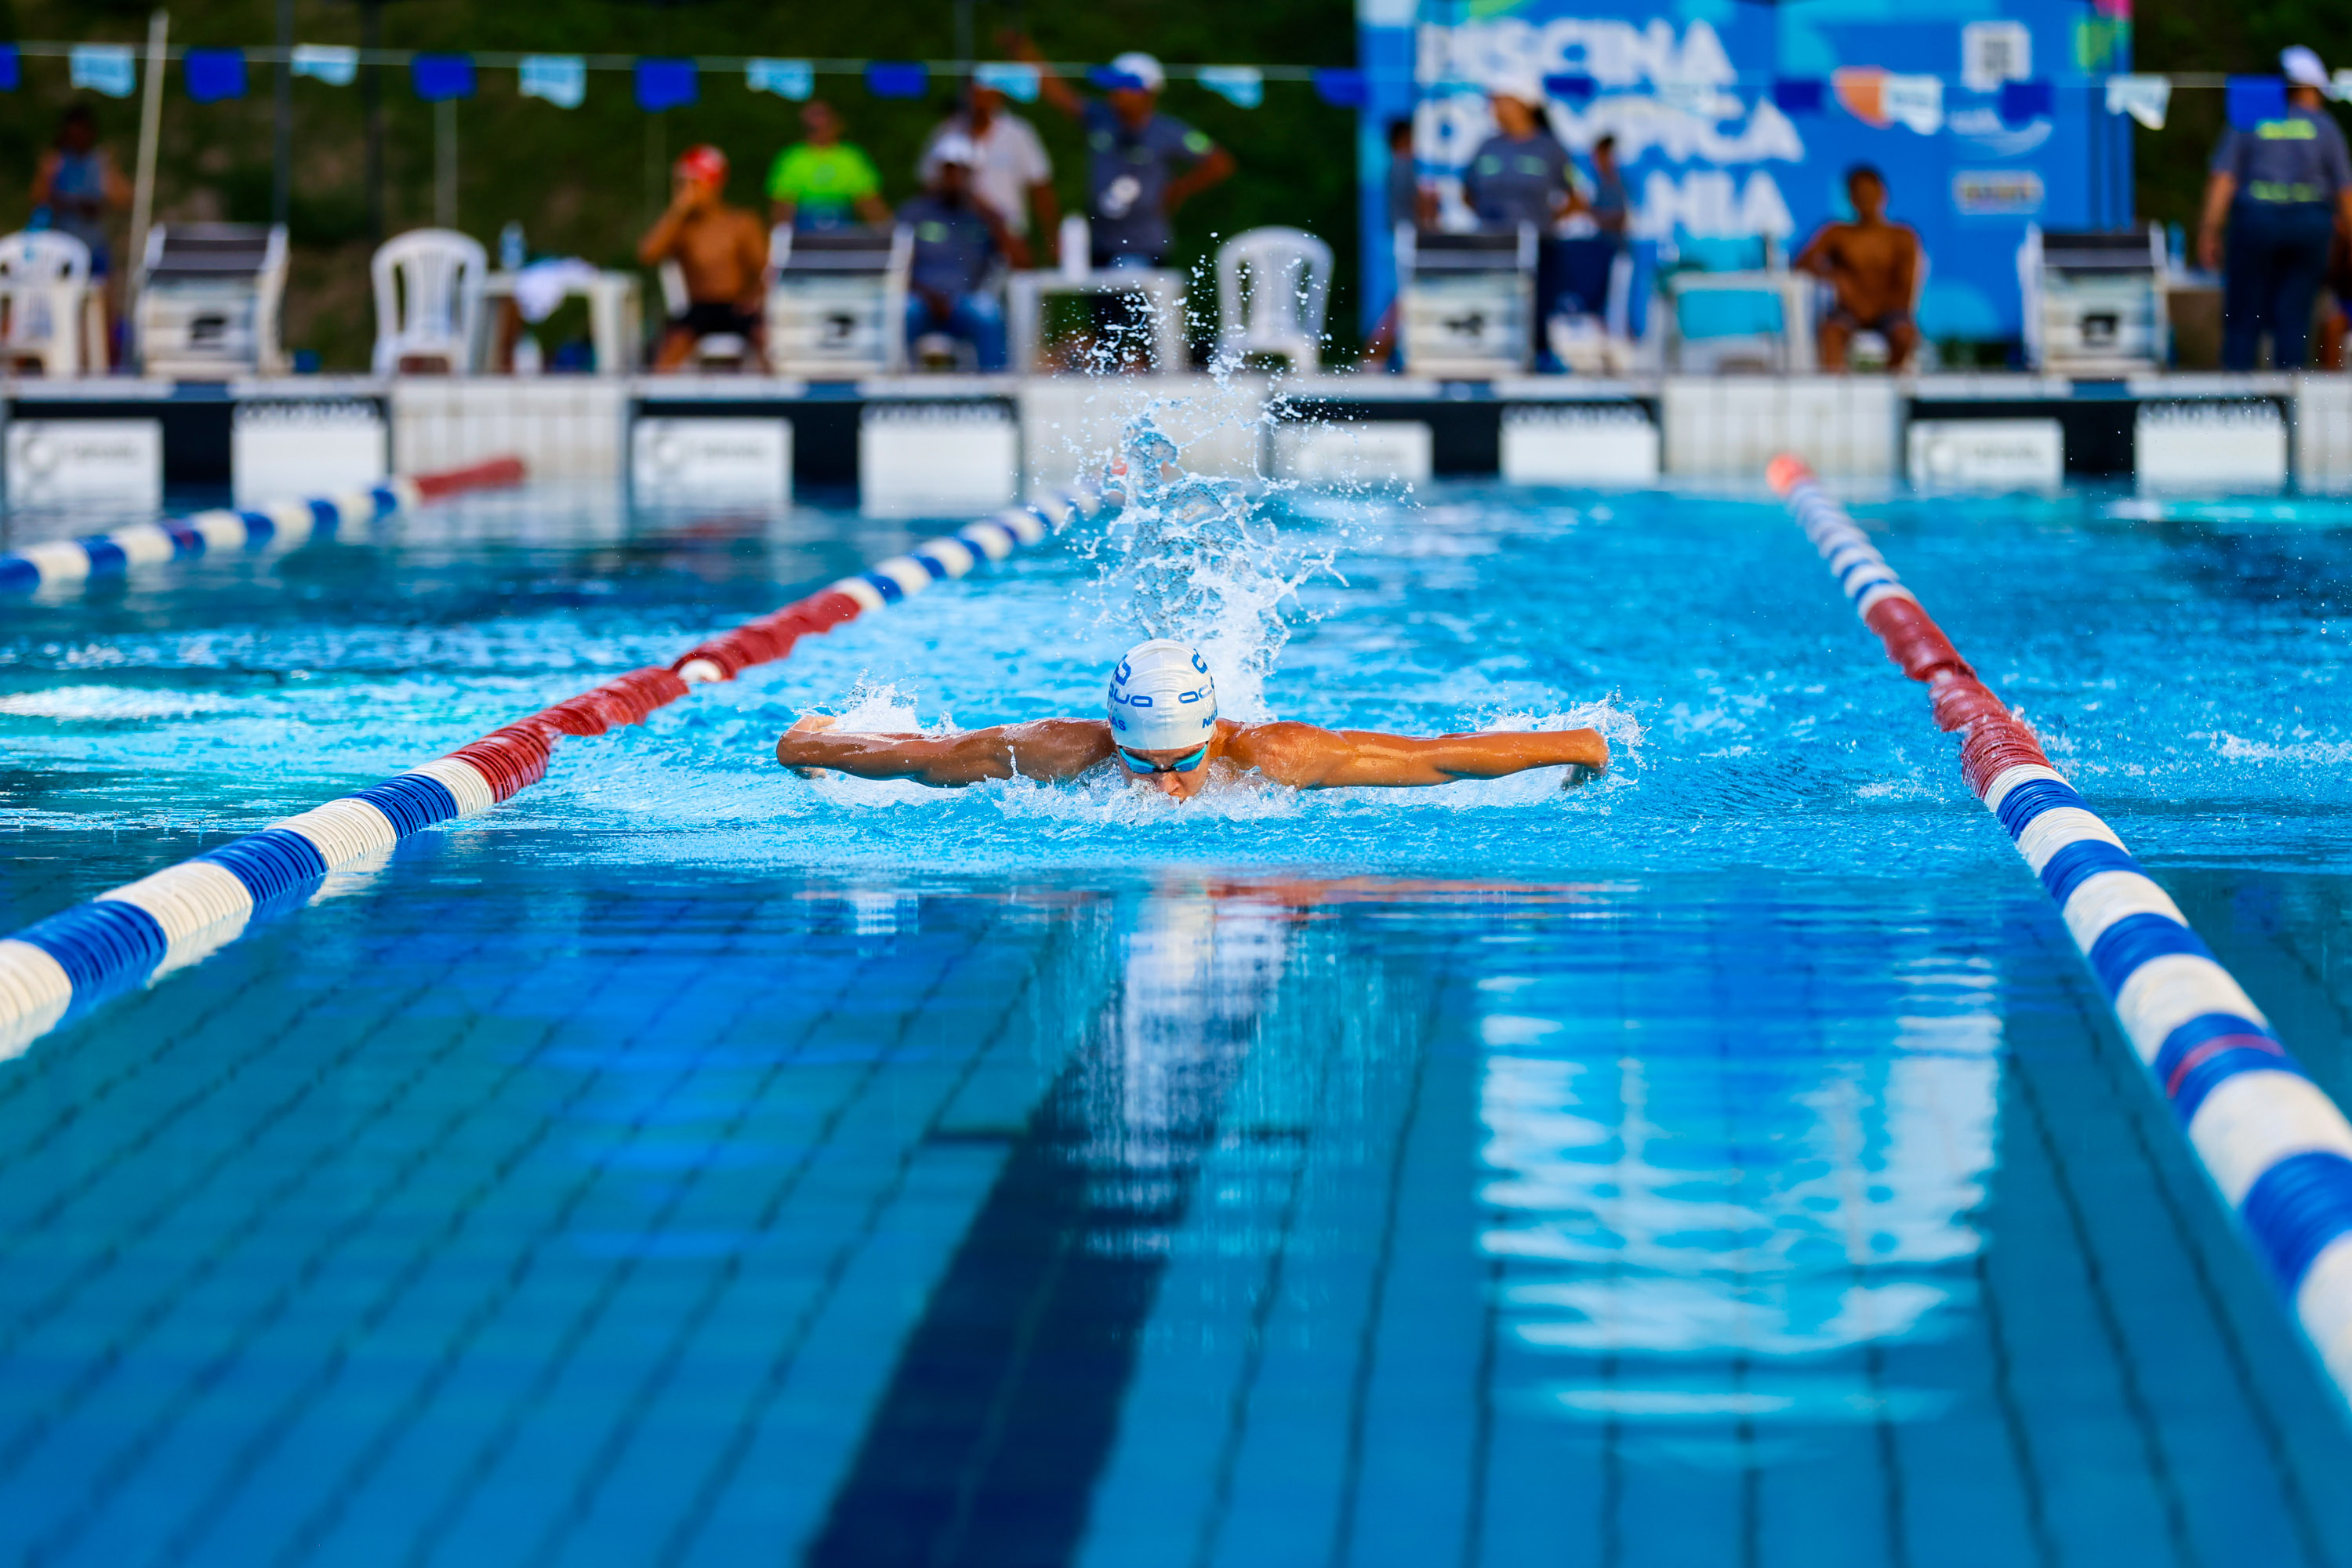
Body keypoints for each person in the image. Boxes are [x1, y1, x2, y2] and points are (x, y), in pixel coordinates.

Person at [775, 639, 1610, 800]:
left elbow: (1435, 758)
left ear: (1215, 733)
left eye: (1183, 760)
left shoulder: (1274, 756)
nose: (1168, 783)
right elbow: (924, 756)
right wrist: (810, 742)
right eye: (1144, 765)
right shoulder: (1066, 752)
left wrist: (1575, 746)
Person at [2196, 45, 2352, 372]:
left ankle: (2236, 403)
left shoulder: (2250, 119)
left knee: (2243, 317)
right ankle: (2290, 408)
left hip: (2257, 223)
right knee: (2293, 320)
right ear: (2307, 88)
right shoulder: (2325, 127)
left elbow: (2222, 179)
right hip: (2309, 227)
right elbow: (2345, 192)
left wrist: (2209, 230)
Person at [1018, 42, 1236, 269]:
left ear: (1147, 93)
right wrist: (1026, 52)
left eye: (1123, 87)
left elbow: (1219, 161)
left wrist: (1179, 189)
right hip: (1100, 245)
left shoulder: (1170, 131)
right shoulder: (1100, 118)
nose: (1115, 94)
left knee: (1142, 301)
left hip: (1146, 246)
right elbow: (1059, 94)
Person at [637, 145, 769, 372]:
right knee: (670, 349)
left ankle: (780, 400)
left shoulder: (740, 222)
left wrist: (754, 295)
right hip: (699, 308)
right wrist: (677, 210)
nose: (685, 191)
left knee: (767, 342)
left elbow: (763, 268)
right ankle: (660, 402)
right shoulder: (682, 228)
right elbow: (647, 255)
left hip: (737, 306)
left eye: (692, 184)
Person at [898, 135, 1014, 370]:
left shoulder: (985, 216)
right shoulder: (914, 212)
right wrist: (931, 298)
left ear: (972, 175)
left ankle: (996, 389)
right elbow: (898, 268)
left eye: (962, 172)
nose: (955, 179)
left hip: (965, 302)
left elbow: (1022, 261)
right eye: (949, 171)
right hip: (922, 300)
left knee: (987, 312)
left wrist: (987, 211)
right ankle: (895, 386)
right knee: (904, 310)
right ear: (938, 173)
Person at [1794, 164, 1922, 372]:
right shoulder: (1837, 233)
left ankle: (1890, 388)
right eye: (1859, 194)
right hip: (1848, 312)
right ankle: (1837, 392)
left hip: (1888, 311)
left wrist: (1873, 306)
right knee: (1830, 333)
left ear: (1882, 194)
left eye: (1870, 193)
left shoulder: (1902, 236)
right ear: (1851, 199)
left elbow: (1906, 287)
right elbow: (1802, 261)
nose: (1866, 200)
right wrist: (1833, 275)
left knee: (1905, 334)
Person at [31, 102, 131, 364]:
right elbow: (38, 199)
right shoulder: (56, 162)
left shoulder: (100, 161)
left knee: (104, 308)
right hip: (61, 251)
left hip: (95, 247)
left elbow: (123, 199)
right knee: (63, 309)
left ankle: (106, 360)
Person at [920, 82, 1054, 266]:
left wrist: (1052, 240)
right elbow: (928, 184)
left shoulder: (1017, 131)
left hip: (1008, 233)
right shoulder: (947, 130)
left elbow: (1040, 186)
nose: (978, 101)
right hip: (959, 236)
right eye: (974, 94)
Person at [767, 101, 891, 232]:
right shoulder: (792, 158)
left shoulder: (851, 157)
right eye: (813, 124)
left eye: (825, 122)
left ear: (837, 124)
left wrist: (887, 230)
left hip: (844, 224)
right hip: (803, 226)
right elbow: (782, 205)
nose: (820, 127)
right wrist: (783, 236)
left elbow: (869, 201)